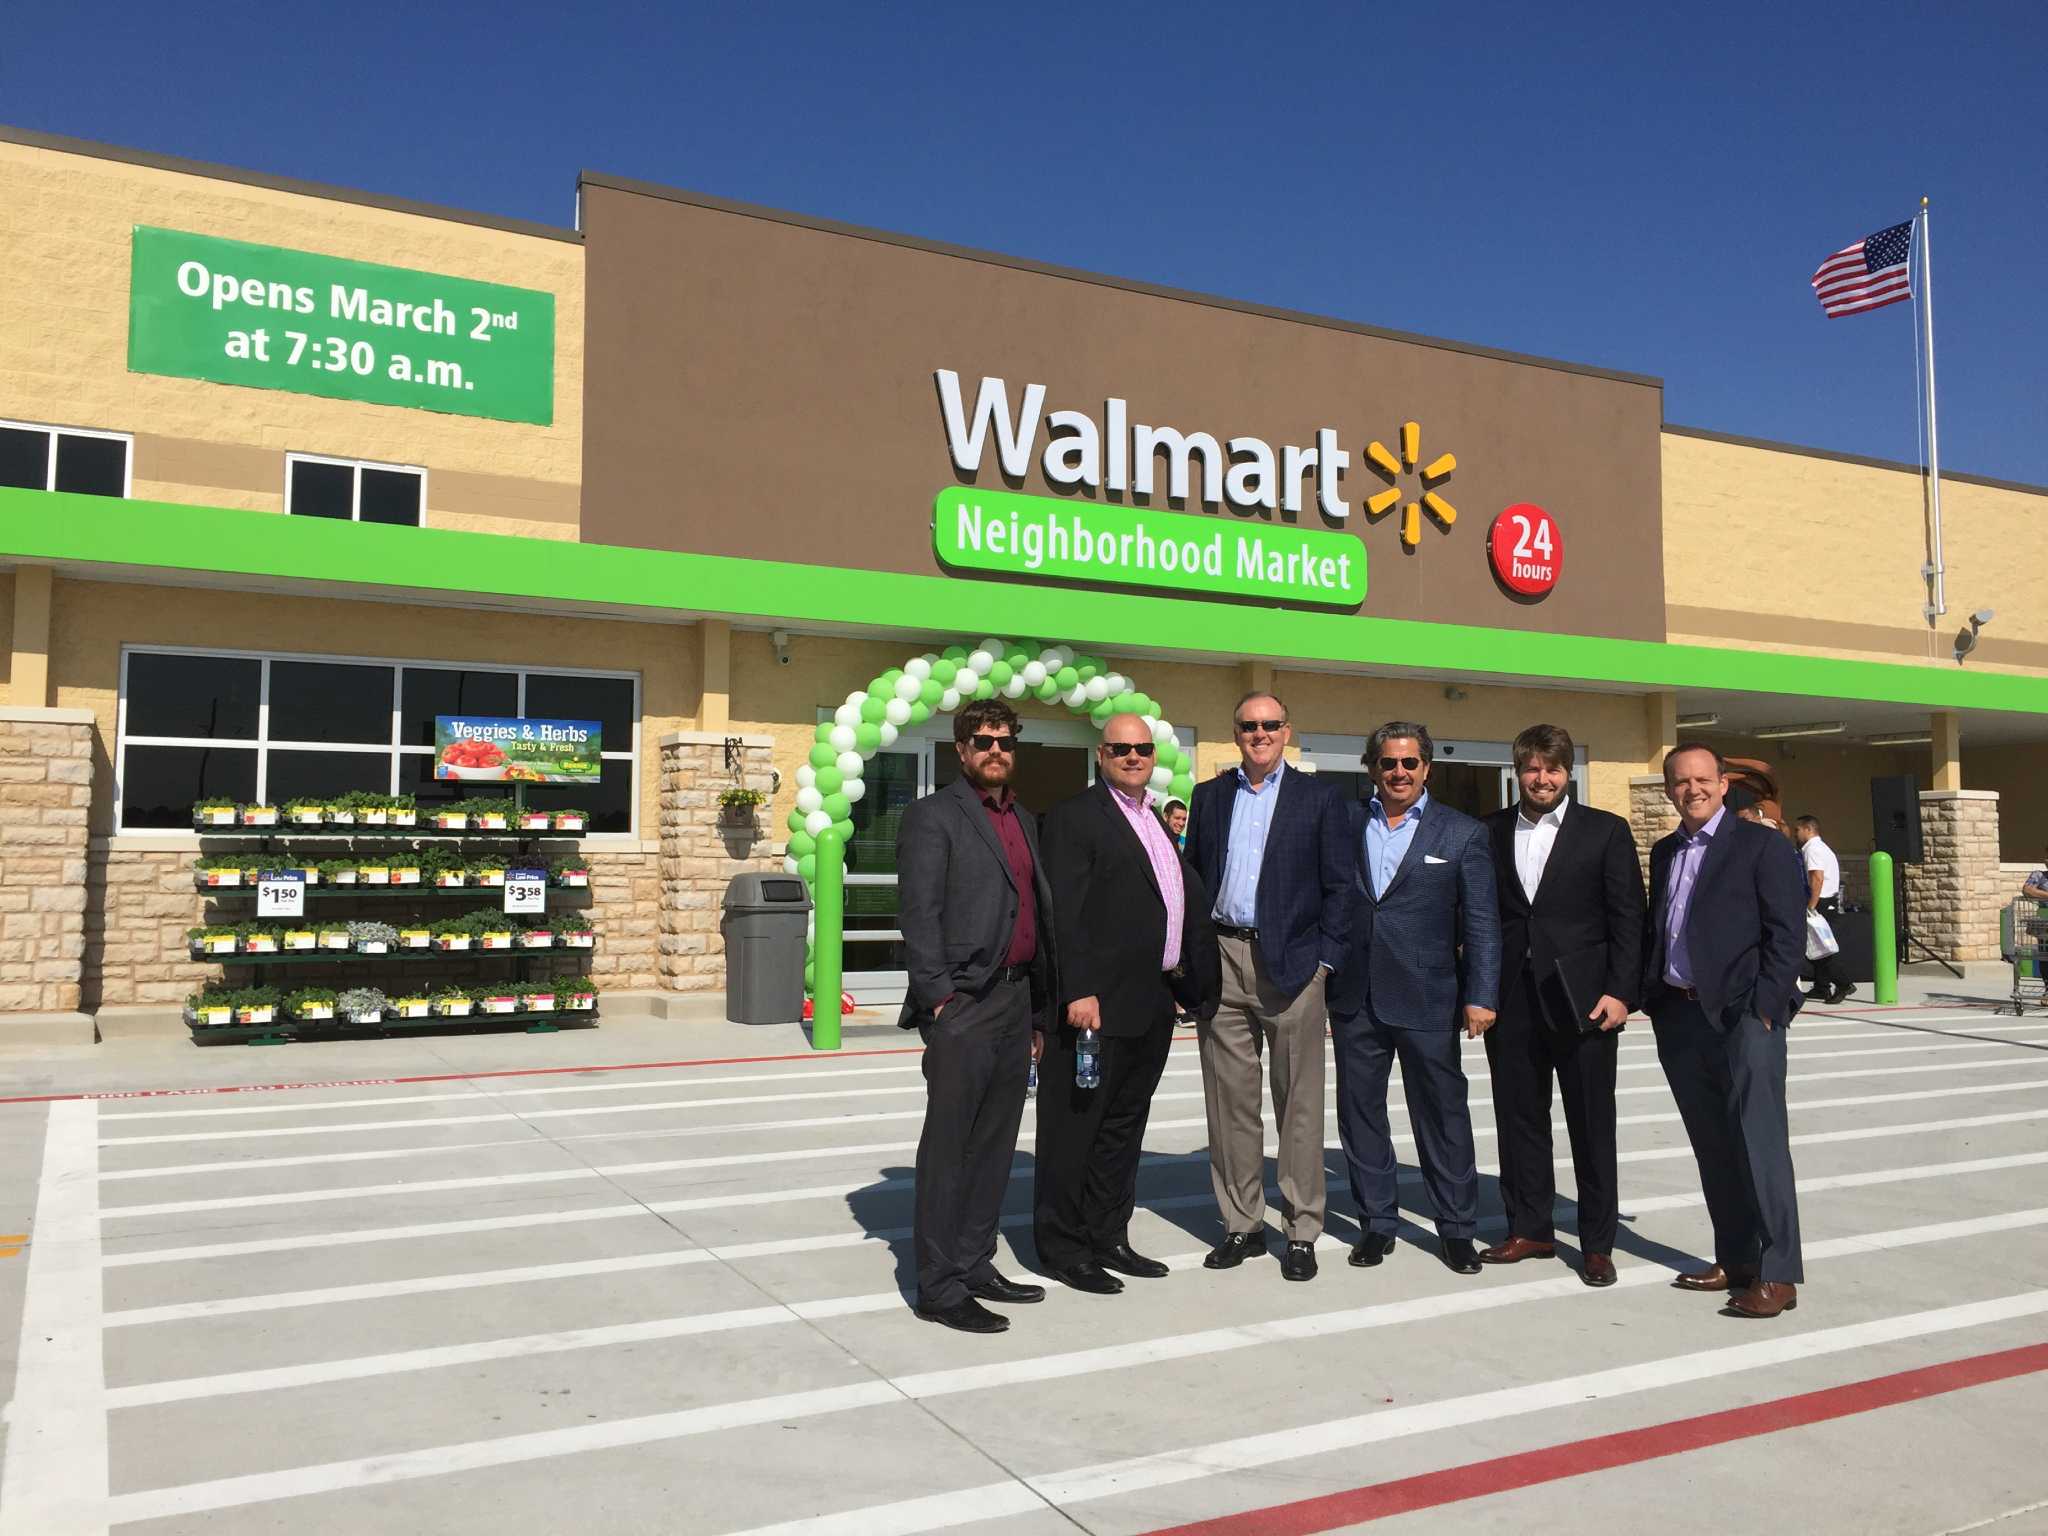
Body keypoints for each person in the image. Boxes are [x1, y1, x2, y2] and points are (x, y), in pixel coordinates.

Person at [1035, 712, 1221, 1293]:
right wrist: (1078, 990)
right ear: (1101, 753)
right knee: (1074, 1130)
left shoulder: (1152, 818)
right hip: (1095, 1007)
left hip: (1149, 1000)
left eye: (1142, 748)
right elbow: (1063, 912)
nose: (1133, 756)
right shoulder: (1074, 817)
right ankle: (1064, 1247)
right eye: (1121, 748)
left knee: (1122, 1127)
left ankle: (1108, 1234)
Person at [895, 700, 1054, 1333]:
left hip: (1016, 1002)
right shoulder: (933, 817)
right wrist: (940, 999)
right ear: (960, 750)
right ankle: (938, 1285)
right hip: (964, 1005)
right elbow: (919, 913)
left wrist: (1038, 1010)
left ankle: (975, 1260)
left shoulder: (1023, 819)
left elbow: (1036, 915)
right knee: (950, 1150)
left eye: (1006, 741)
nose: (995, 750)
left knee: (994, 1145)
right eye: (983, 741)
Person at [1182, 691, 1353, 1281]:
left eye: (1270, 725)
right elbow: (1195, 880)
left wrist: (1325, 962)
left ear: (1287, 731)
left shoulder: (1321, 798)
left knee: (1298, 1104)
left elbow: (1342, 888)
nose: (1260, 733)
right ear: (1236, 733)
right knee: (1230, 1103)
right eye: (1249, 725)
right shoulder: (1209, 797)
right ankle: (1242, 1224)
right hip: (1223, 957)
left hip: (1294, 965)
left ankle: (1301, 1228)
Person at [1328, 721, 1500, 1275]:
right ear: (1371, 768)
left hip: (1430, 998)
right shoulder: (1346, 822)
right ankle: (1378, 1223)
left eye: (1408, 763)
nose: (1397, 772)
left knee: (1442, 1115)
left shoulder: (1462, 834)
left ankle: (1456, 1230)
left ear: (1427, 767)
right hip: (1355, 995)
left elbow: (1482, 924)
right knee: (1360, 1115)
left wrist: (1481, 993)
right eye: (1387, 763)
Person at [1645, 742, 1809, 1319]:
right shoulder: (1666, 852)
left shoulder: (1760, 845)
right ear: (1669, 790)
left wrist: (1766, 1006)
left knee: (1759, 1142)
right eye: (1681, 781)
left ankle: (1778, 1273)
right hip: (1681, 1016)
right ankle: (1736, 1259)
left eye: (1702, 779)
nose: (1692, 789)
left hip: (1744, 1016)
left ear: (1722, 784)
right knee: (1713, 1146)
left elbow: (1787, 932)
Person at [1477, 724, 1644, 1288]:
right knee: (1519, 1120)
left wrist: (1622, 991)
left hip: (1584, 1000)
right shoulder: (1490, 831)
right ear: (1517, 770)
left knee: (1592, 1125)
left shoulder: (1605, 831)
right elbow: (1481, 918)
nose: (1541, 778)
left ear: (1566, 772)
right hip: (1512, 999)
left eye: (1552, 769)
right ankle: (1531, 1228)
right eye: (1531, 768)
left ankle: (1597, 1244)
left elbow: (1629, 920)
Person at [1794, 814, 1850, 1004]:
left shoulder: (1813, 849)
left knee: (1822, 949)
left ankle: (1844, 984)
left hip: (1821, 903)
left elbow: (1816, 877)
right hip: (1827, 901)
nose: (1796, 834)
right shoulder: (1821, 847)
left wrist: (1811, 905)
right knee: (1816, 947)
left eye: (1798, 830)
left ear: (1808, 829)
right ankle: (1821, 987)